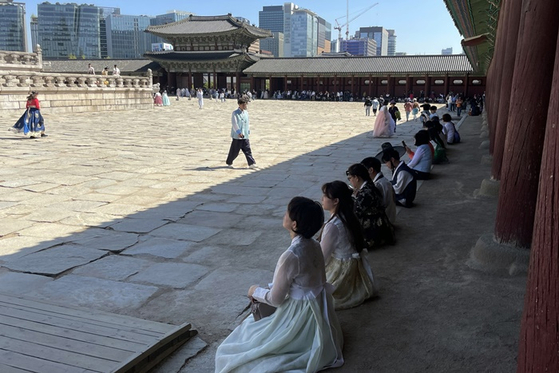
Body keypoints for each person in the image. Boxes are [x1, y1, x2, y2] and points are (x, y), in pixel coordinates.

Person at [215, 196, 344, 372]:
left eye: (287, 213)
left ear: (295, 225)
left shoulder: (291, 255)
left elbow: (276, 299)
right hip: (320, 309)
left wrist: (255, 290)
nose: (284, 215)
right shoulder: (314, 244)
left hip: (300, 313)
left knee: (238, 343)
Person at [319, 181, 377, 310]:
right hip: (353, 265)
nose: (322, 199)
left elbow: (322, 258)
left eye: (325, 196)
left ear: (336, 201)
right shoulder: (347, 216)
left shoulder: (333, 225)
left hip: (341, 269)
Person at [346, 163, 395, 248]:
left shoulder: (365, 193)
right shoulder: (370, 186)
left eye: (350, 178)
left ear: (357, 178)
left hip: (373, 232)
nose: (350, 181)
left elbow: (356, 213)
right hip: (382, 226)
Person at [361, 157, 397, 224]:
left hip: (385, 222)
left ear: (371, 170)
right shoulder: (383, 181)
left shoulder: (378, 185)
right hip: (390, 217)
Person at [226, 96, 257, 169]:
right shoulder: (235, 113)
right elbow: (234, 123)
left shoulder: (246, 113)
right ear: (239, 104)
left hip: (245, 135)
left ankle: (251, 163)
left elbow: (247, 122)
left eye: (245, 104)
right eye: (243, 104)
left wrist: (248, 130)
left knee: (247, 149)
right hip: (237, 136)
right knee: (235, 151)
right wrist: (238, 132)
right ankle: (229, 161)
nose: (245, 106)